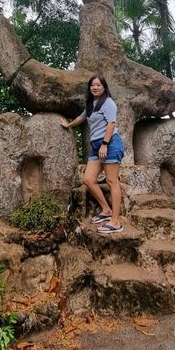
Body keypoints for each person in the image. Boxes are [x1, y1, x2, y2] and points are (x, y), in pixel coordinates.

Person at [60, 74, 125, 234]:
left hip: (109, 144)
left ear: (104, 87)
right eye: (93, 85)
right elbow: (82, 118)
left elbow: (111, 124)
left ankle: (115, 221)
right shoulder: (91, 104)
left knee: (112, 181)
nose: (95, 87)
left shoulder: (108, 103)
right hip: (96, 147)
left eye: (99, 85)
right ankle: (106, 210)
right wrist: (68, 125)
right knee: (88, 179)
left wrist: (105, 144)